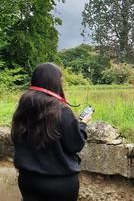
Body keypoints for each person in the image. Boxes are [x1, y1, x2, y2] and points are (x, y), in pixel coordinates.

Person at [11, 63, 92, 201]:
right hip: (59, 182)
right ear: (55, 82)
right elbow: (75, 145)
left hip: (28, 180)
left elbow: (16, 138)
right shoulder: (62, 110)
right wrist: (82, 124)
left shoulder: (23, 106)